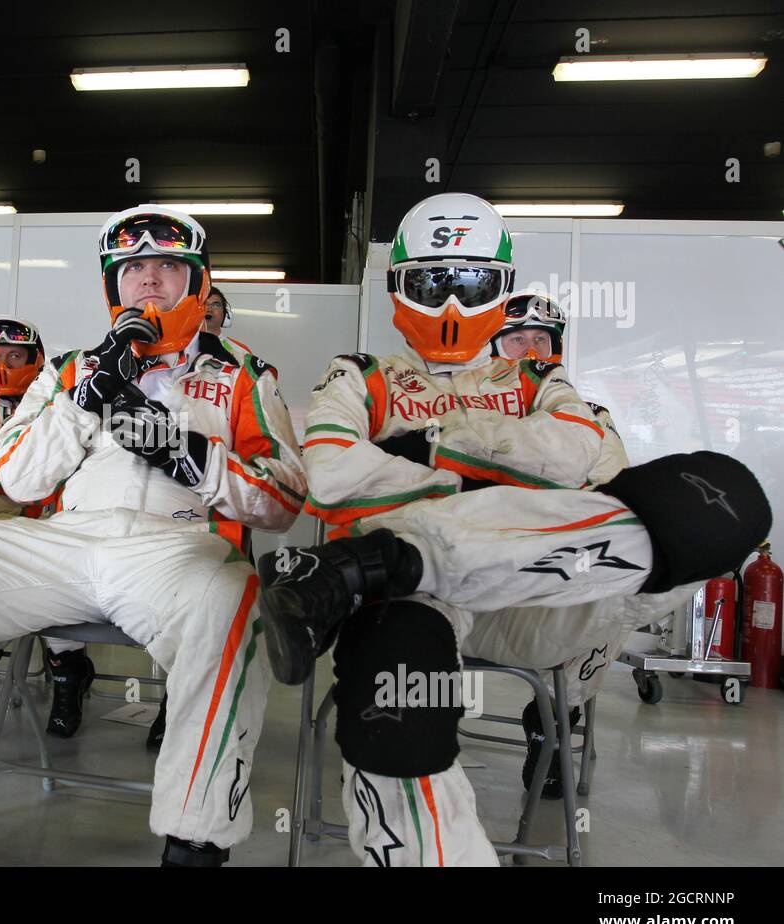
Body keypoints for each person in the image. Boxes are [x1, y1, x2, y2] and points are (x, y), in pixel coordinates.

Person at [257, 192, 771, 866]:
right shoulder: (360, 374)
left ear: (500, 288)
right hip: (420, 602)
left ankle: (376, 561)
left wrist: (430, 446)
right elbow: (329, 475)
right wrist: (497, 480)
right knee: (398, 715)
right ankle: (397, 566)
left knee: (714, 507)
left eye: (470, 283)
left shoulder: (539, 376)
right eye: (430, 282)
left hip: (543, 592)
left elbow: (582, 460)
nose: (450, 304)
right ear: (397, 288)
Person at [0, 204, 307, 867]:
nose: (149, 280)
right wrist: (87, 394)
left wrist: (190, 454)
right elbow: (21, 478)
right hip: (66, 541)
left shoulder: (243, 373)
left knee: (233, 602)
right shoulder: (68, 368)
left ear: (197, 280)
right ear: (112, 285)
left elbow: (284, 498)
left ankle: (195, 842)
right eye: (133, 269)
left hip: (175, 546)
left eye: (167, 267)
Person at [479, 291, 698, 797]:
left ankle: (553, 721)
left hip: (556, 578)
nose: (530, 351)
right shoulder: (461, 411)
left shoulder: (592, 417)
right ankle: (404, 728)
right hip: (472, 576)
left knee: (620, 584)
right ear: (494, 347)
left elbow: (610, 496)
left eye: (541, 339)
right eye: (516, 340)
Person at [0, 318, 95, 740]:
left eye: (14, 356)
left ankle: (68, 678)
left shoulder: (52, 399)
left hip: (44, 522)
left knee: (47, 588)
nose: (3, 364)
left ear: (34, 361)